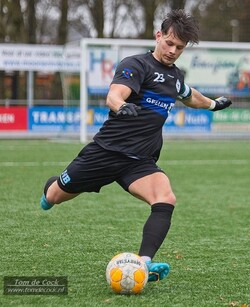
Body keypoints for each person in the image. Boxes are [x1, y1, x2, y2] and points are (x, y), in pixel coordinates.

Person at [39, 9, 231, 283]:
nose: (172, 51)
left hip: (139, 161)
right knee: (56, 197)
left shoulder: (176, 77)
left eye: (179, 47)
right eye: (169, 43)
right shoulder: (136, 65)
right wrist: (122, 106)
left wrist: (213, 105)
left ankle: (143, 263)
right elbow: (114, 95)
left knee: (165, 199)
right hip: (105, 153)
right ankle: (52, 186)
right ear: (158, 36)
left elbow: (190, 97)